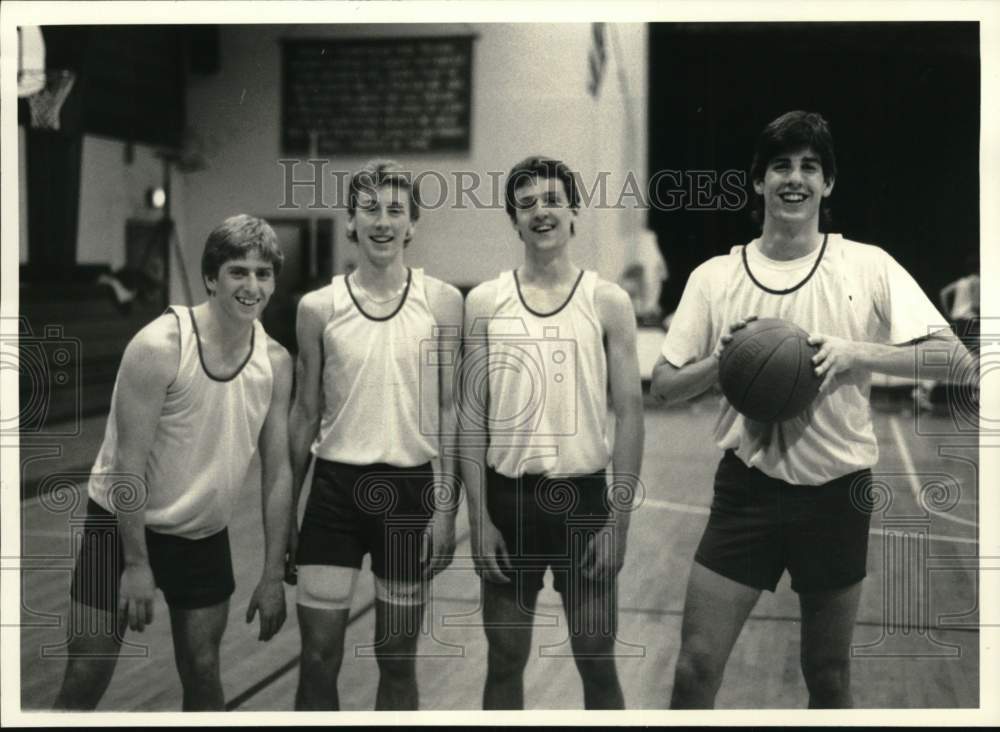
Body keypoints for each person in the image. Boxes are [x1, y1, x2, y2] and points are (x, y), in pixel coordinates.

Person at [651, 111, 974, 708]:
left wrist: (858, 353)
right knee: (695, 668)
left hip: (836, 494)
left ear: (828, 184)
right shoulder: (716, 276)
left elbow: (956, 360)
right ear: (757, 182)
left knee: (826, 676)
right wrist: (722, 366)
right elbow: (665, 387)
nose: (794, 179)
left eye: (809, 167)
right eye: (780, 166)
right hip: (744, 494)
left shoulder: (866, 265)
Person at [55, 214, 294, 710]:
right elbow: (127, 465)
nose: (252, 286)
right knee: (86, 674)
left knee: (204, 672)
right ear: (210, 278)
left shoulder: (275, 361)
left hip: (203, 534)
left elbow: (279, 472)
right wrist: (137, 562)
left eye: (263, 273)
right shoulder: (159, 345)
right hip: (119, 529)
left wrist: (273, 573)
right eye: (237, 272)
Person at [461, 156, 644, 709]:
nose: (541, 211)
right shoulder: (484, 302)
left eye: (552, 200)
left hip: (584, 504)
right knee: (505, 660)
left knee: (595, 658)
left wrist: (619, 521)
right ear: (514, 221)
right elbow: (470, 418)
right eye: (527, 203)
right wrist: (478, 519)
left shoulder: (607, 301)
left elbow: (631, 414)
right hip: (508, 500)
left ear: (574, 213)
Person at [288, 159, 462, 711]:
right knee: (317, 658)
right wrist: (288, 513)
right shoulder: (317, 308)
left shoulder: (442, 302)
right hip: (334, 492)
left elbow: (450, 407)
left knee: (397, 660)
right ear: (350, 221)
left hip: (409, 495)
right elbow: (304, 412)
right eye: (370, 210)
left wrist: (445, 509)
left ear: (412, 224)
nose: (382, 222)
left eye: (395, 211)